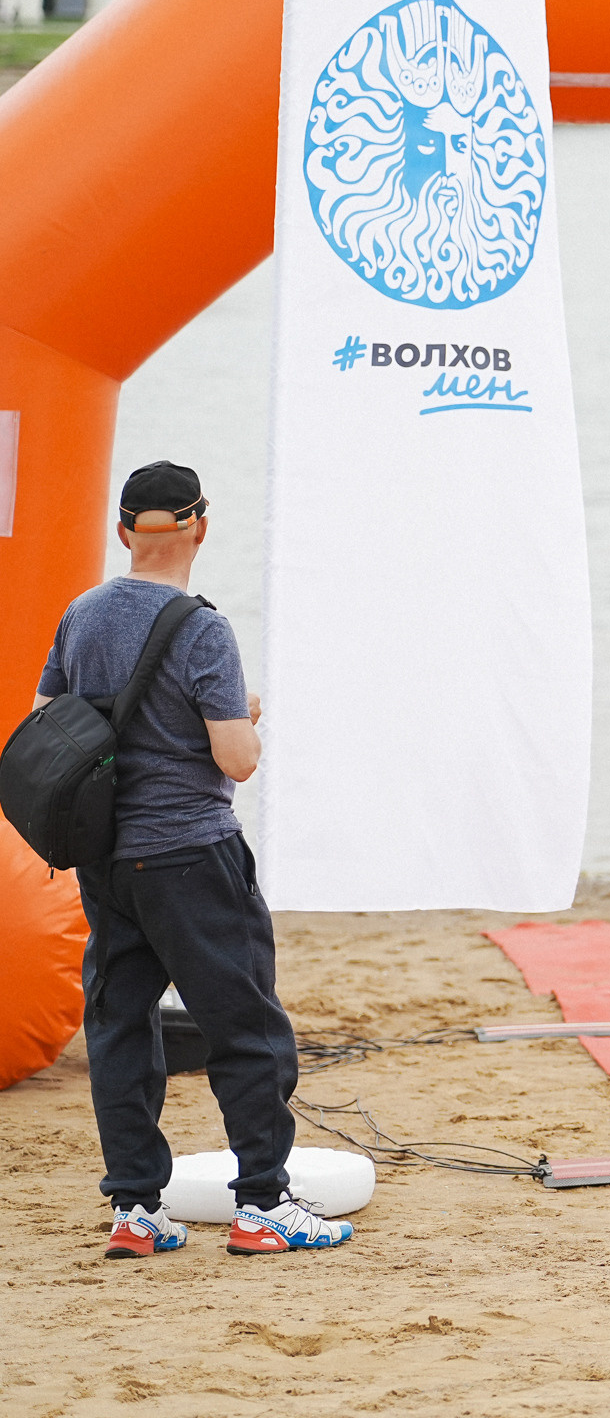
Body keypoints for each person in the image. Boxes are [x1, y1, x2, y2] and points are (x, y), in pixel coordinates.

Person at [32, 462, 353, 1258]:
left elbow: (47, 724)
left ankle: (135, 1210)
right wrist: (243, 715)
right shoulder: (202, 628)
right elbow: (236, 760)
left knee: (120, 1026)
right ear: (200, 528)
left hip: (107, 861)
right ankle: (264, 1204)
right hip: (190, 856)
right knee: (246, 1027)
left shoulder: (82, 614)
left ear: (123, 531)